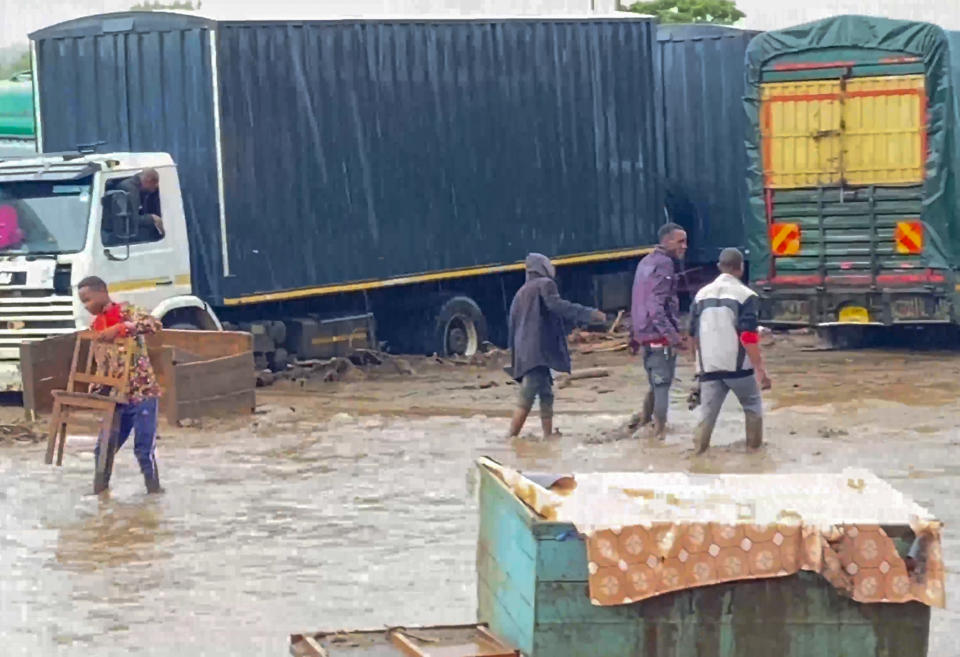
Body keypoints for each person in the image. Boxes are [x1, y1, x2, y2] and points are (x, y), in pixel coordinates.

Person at [77, 276, 165, 494]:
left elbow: (155, 324)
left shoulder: (128, 311)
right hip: (117, 397)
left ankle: (154, 493)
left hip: (142, 393)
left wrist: (121, 328)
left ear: (102, 292)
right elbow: (102, 363)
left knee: (143, 451)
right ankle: (100, 493)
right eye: (83, 302)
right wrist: (97, 387)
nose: (86, 306)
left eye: (87, 300)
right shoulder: (96, 325)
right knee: (103, 449)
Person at [507, 253, 606, 439]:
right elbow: (558, 306)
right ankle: (511, 437)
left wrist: (515, 356)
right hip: (537, 351)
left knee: (546, 393)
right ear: (542, 267)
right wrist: (589, 314)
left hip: (526, 351)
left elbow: (512, 325)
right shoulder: (545, 284)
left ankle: (548, 435)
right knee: (528, 393)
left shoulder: (521, 292)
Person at [689, 247, 771, 454]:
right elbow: (748, 336)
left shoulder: (700, 295)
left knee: (706, 416)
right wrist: (760, 370)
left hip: (708, 368)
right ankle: (754, 455)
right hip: (738, 369)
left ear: (719, 267)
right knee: (752, 407)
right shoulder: (746, 295)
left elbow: (692, 335)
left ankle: (697, 456)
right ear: (740, 268)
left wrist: (697, 368)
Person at [628, 222, 687, 440]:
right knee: (662, 385)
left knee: (656, 383)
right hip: (659, 337)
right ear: (667, 241)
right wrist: (673, 338)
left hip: (644, 335)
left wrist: (633, 335)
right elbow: (655, 306)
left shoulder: (645, 262)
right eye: (680, 241)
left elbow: (636, 300)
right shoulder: (664, 265)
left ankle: (645, 420)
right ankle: (659, 434)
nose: (685, 246)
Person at [118, 168, 164, 240]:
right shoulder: (131, 190)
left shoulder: (129, 185)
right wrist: (152, 218)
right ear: (149, 180)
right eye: (154, 185)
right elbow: (132, 219)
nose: (154, 188)